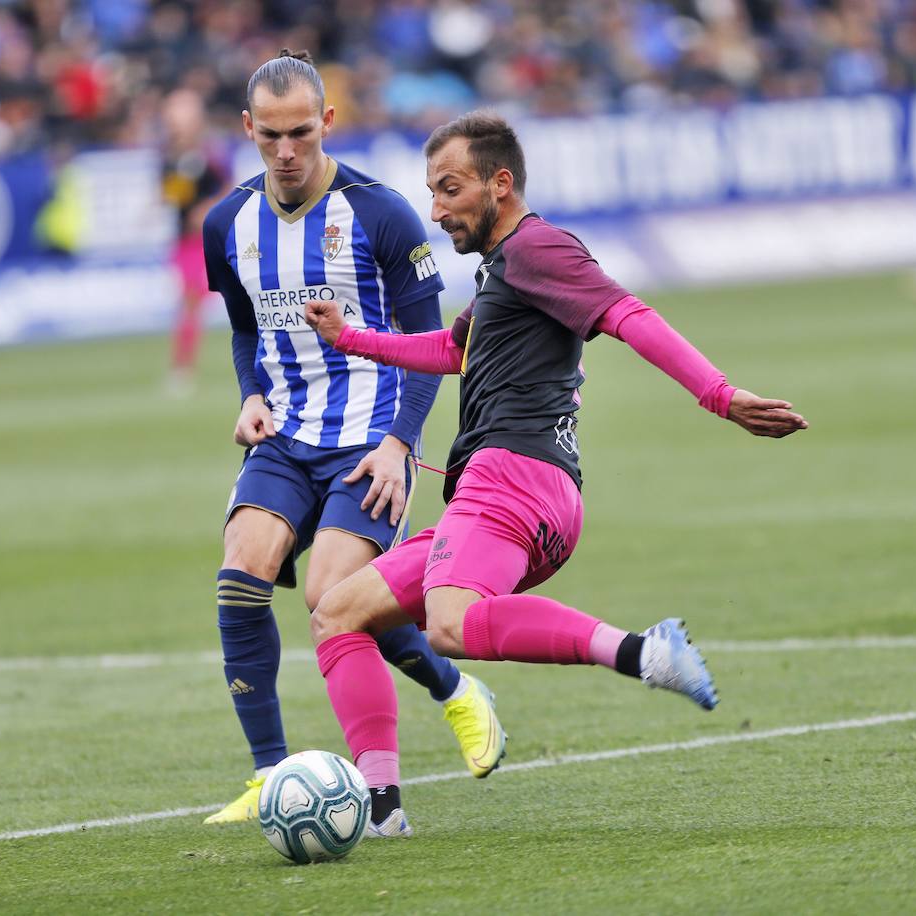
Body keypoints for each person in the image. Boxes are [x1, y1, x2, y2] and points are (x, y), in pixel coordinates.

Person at [302, 112, 809, 837]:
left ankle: (643, 652)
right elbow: (453, 352)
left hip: (511, 481)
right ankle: (382, 810)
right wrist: (347, 337)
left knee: (447, 624)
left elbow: (630, 314)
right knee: (338, 612)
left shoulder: (540, 248)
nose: (437, 208)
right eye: (431, 191)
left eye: (450, 189)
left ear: (499, 185)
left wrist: (720, 396)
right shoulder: (507, 271)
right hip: (521, 493)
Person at [200, 52, 506, 827]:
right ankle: (272, 777)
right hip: (285, 436)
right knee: (239, 578)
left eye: (301, 131)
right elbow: (245, 328)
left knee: (333, 600)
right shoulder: (226, 223)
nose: (287, 150)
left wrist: (401, 443)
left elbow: (433, 339)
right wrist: (250, 395)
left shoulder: (380, 213)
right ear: (248, 129)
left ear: (327, 121)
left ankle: (456, 694)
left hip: (368, 438)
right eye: (270, 135)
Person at [161, 87, 228, 396]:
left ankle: (182, 369)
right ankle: (182, 368)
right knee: (189, 303)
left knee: (195, 301)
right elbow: (172, 194)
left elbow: (229, 187)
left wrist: (206, 208)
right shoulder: (170, 155)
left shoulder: (208, 152)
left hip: (206, 240)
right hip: (183, 241)